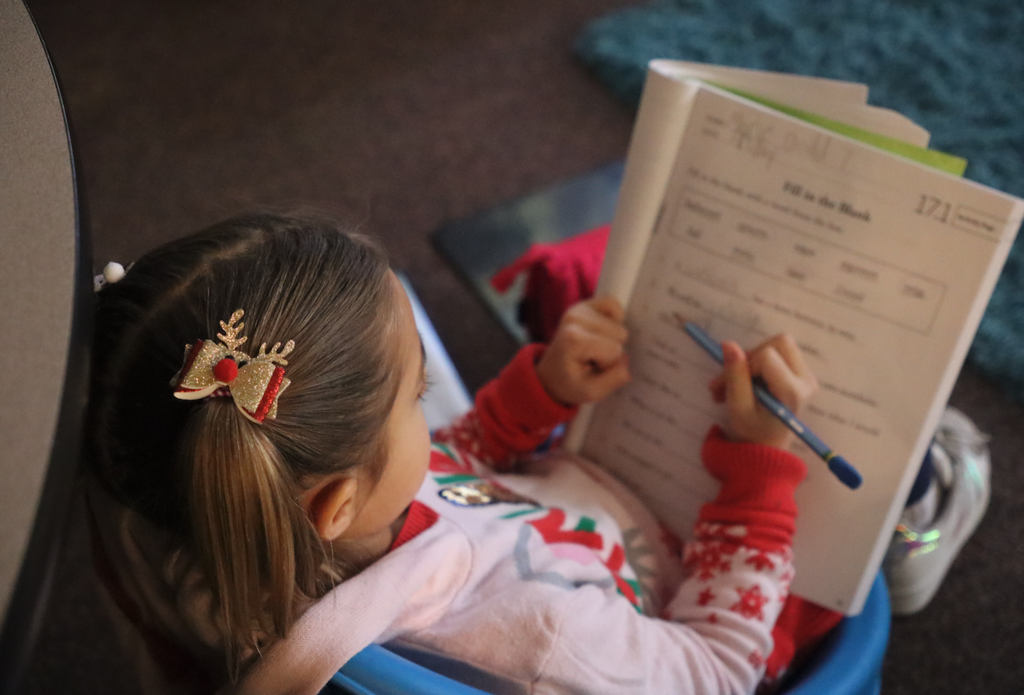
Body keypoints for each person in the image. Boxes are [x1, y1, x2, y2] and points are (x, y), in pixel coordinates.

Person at [87, 213, 825, 695]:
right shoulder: (542, 638)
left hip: (567, 513)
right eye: (418, 392)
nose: (427, 405)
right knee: (866, 525)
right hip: (713, 603)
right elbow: (722, 669)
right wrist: (758, 476)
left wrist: (538, 392)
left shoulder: (240, 516)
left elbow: (446, 476)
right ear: (335, 503)